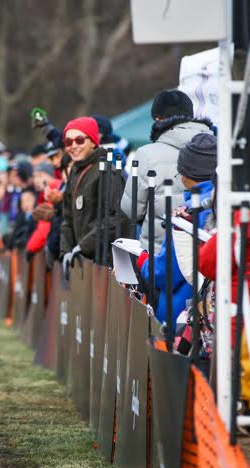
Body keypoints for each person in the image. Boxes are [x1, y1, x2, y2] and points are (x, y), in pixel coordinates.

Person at [137, 133, 217, 332]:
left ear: (184, 174)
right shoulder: (225, 204)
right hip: (214, 311)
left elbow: (165, 272)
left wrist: (142, 262)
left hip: (182, 314)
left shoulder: (186, 213)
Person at [121, 89, 213, 251]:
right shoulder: (216, 147)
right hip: (206, 254)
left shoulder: (146, 154)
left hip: (158, 257)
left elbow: (132, 210)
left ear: (158, 119)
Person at [59, 117, 127, 275]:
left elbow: (117, 218)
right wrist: (66, 251)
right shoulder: (75, 171)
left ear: (93, 141)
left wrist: (84, 247)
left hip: (105, 263)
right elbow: (67, 219)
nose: (73, 146)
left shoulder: (108, 171)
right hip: (82, 261)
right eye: (68, 142)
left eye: (80, 140)